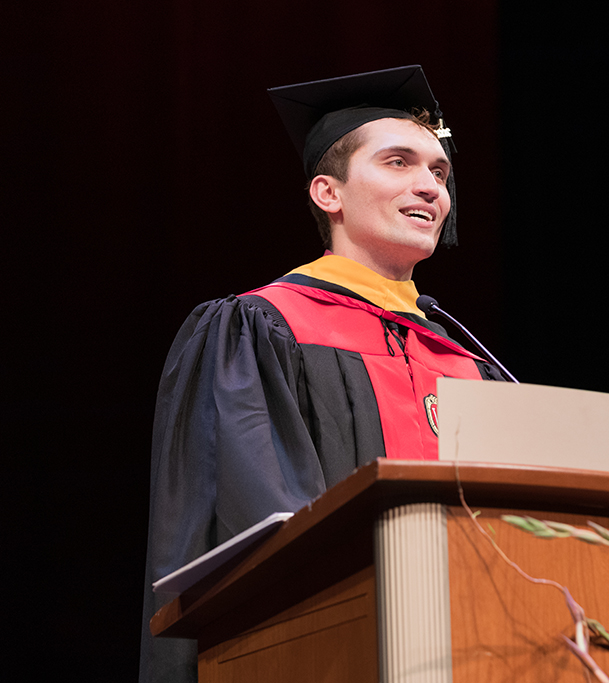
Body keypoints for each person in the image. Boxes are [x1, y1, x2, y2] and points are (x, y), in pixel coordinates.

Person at [139, 65, 502, 683]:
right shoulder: (259, 330)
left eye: (439, 172)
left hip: (480, 646)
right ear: (327, 193)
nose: (431, 187)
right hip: (336, 653)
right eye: (398, 163)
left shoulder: (472, 361)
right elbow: (258, 530)